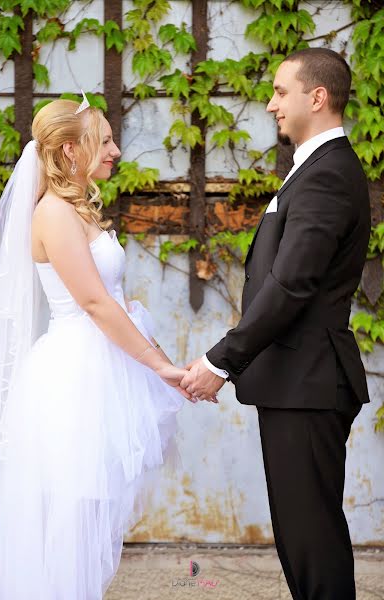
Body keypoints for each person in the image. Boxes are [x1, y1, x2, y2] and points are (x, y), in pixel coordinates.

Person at [0, 95, 195, 599]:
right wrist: (158, 366)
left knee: (89, 516)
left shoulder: (77, 211)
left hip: (102, 368)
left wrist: (160, 359)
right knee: (69, 519)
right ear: (71, 151)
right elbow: (96, 304)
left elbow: (117, 300)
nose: (116, 151)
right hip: (74, 378)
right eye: (105, 141)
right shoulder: (54, 215)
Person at [181, 48, 371, 599]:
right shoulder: (311, 170)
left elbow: (291, 286)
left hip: (308, 384)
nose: (270, 105)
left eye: (280, 92)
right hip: (296, 382)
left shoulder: (327, 175)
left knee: (312, 545)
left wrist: (221, 360)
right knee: (301, 539)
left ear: (318, 97)